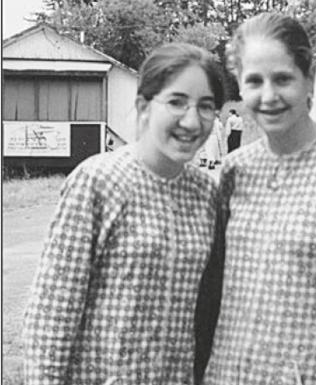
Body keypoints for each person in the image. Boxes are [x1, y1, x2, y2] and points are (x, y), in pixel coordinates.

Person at [197, 12, 316, 385]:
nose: (268, 96)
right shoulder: (236, 169)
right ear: (240, 85)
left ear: (309, 79)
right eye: (254, 81)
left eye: (283, 79)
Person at [23, 42, 225, 385]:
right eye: (176, 102)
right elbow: (53, 313)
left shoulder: (206, 194)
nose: (192, 121)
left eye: (206, 107)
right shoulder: (97, 182)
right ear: (144, 105)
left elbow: (206, 316)